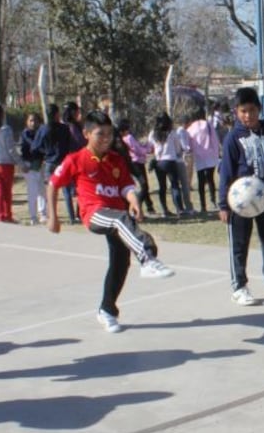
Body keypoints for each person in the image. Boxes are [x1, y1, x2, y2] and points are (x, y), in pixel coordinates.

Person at [47, 110, 175, 333]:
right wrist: (53, 217)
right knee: (119, 221)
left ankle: (106, 310)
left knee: (120, 262)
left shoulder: (116, 159)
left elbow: (126, 186)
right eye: (100, 134)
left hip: (118, 216)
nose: (106, 139)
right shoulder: (75, 159)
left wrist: (134, 201)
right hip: (94, 213)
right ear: (87, 134)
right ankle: (147, 259)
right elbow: (52, 184)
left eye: (109, 134)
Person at [218, 87, 264, 306]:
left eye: (252, 110)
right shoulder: (233, 137)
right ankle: (239, 286)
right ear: (236, 112)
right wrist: (223, 205)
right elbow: (226, 171)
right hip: (240, 202)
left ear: (259, 109)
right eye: (243, 111)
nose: (248, 115)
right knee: (240, 244)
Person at [32, 103, 77, 223]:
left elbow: (35, 146)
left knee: (51, 190)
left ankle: (53, 216)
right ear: (57, 114)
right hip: (63, 162)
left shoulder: (43, 129)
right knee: (66, 191)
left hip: (49, 162)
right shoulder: (64, 128)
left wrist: (45, 151)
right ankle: (72, 217)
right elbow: (69, 144)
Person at [148, 113, 187, 216]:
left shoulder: (153, 133)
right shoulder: (172, 133)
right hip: (170, 161)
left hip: (159, 162)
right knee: (174, 185)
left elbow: (150, 145)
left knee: (162, 187)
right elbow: (177, 147)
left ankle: (165, 210)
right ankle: (179, 209)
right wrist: (177, 153)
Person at [186, 108, 221, 212]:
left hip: (199, 157)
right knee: (210, 179)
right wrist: (216, 152)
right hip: (210, 155)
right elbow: (215, 140)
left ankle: (203, 205)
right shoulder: (208, 125)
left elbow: (189, 144)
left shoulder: (191, 128)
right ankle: (213, 200)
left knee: (201, 181)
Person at [119, 118, 156, 215]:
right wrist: (148, 150)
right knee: (144, 186)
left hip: (133, 163)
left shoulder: (121, 139)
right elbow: (137, 149)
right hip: (137, 163)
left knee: (144, 185)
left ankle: (149, 206)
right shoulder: (129, 137)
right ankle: (137, 204)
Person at [20, 111, 47, 225]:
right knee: (32, 191)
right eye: (31, 120)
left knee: (42, 190)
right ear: (27, 122)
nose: (33, 123)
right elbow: (33, 146)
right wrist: (22, 164)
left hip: (41, 164)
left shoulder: (42, 132)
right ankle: (33, 216)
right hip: (29, 165)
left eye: (35, 120)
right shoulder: (25, 134)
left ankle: (43, 214)